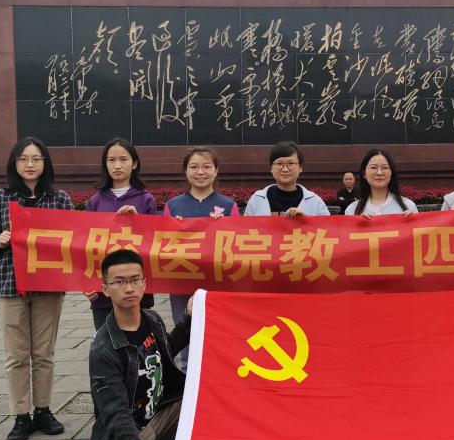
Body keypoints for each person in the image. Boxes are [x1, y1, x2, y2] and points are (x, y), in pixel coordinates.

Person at [89, 248, 226, 440]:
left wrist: (189, 318)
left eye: (134, 280)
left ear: (144, 284)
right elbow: (116, 414)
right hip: (127, 430)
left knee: (215, 400)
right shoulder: (103, 349)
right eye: (119, 282)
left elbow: (164, 351)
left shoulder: (151, 319)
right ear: (105, 289)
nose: (129, 288)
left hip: (160, 412)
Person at [0, 137, 73, 440]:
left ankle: (43, 410)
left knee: (44, 353)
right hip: (10, 285)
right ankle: (21, 415)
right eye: (23, 159)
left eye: (36, 159)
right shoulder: (0, 198)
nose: (30, 164)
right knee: (16, 355)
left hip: (48, 287)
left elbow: (73, 239)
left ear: (45, 163)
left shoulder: (59, 199)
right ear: (14, 163)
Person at [84, 138, 159, 331]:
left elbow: (157, 241)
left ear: (134, 163)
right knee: (107, 342)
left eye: (123, 159)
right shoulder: (95, 201)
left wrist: (139, 221)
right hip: (104, 293)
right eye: (111, 160)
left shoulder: (146, 199)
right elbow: (83, 245)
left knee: (140, 341)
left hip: (136, 291)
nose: (117, 165)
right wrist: (86, 283)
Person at [163, 148, 239, 328]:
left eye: (206, 166)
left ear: (216, 170)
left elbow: (238, 246)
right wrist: (173, 230)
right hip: (182, 282)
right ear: (185, 171)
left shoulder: (229, 206)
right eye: (194, 167)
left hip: (218, 281)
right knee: (184, 333)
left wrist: (225, 227)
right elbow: (161, 245)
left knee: (218, 331)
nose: (200, 172)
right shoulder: (172, 206)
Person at [243, 141, 330, 217]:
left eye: (291, 163)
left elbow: (328, 229)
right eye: (279, 164)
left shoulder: (315, 202)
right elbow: (245, 229)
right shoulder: (257, 199)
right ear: (271, 168)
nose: (285, 169)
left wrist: (306, 221)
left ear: (300, 167)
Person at [345, 149, 418, 217]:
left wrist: (412, 222)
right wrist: (357, 224)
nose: (379, 173)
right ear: (364, 173)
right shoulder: (352, 210)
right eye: (373, 167)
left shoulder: (409, 206)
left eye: (385, 168)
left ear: (392, 173)